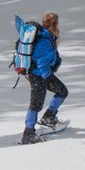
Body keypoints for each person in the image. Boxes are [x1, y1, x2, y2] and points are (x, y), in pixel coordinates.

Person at [20, 12, 68, 144]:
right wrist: (48, 76)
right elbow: (41, 62)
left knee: (62, 91)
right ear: (55, 24)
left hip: (39, 74)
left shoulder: (46, 36)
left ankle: (48, 118)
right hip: (38, 75)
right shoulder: (45, 40)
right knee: (35, 104)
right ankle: (28, 134)